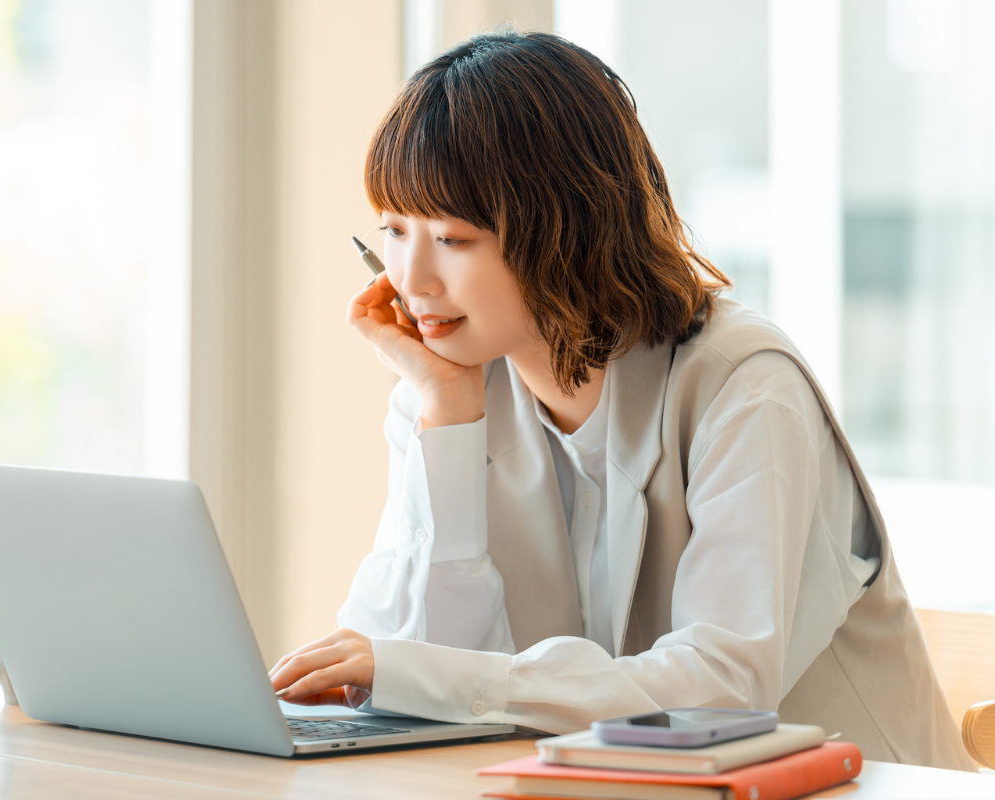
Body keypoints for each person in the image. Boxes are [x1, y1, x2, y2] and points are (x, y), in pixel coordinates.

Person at [268, 30, 971, 770]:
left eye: (452, 238)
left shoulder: (745, 386)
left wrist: (418, 673)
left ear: (562, 224)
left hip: (856, 788)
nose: (412, 280)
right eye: (393, 229)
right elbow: (426, 682)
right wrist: (444, 413)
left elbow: (723, 688)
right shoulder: (452, 383)